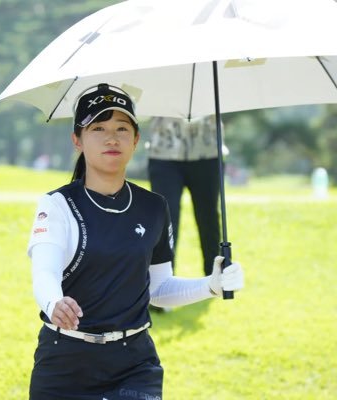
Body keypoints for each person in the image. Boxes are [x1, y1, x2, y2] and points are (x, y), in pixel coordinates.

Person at [27, 83, 244, 400]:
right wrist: (53, 303)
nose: (111, 138)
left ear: (136, 139)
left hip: (135, 364)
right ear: (77, 140)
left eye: (121, 128)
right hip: (65, 362)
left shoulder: (154, 207)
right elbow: (44, 272)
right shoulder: (57, 205)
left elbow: (158, 289)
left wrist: (211, 285)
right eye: (98, 128)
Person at [148, 115, 227, 277]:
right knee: (165, 221)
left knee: (209, 219)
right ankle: (162, 280)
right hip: (163, 151)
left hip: (208, 150)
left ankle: (215, 279)